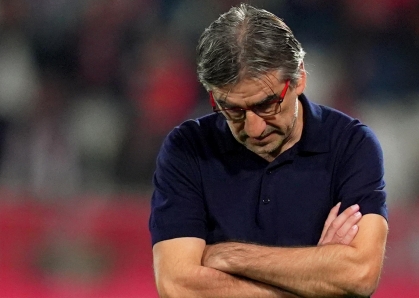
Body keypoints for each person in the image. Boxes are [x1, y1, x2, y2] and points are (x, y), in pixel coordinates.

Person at [149, 3, 388, 297]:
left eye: (266, 104)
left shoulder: (350, 145)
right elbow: (178, 285)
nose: (253, 128)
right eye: (231, 109)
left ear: (299, 77)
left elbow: (360, 274)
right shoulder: (187, 149)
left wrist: (229, 255)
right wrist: (314, 281)